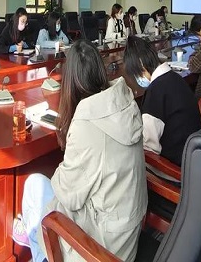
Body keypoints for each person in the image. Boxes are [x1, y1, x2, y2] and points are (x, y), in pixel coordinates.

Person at [15, 40, 147, 262]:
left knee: (34, 187)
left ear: (69, 81)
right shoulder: (125, 103)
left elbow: (69, 196)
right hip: (126, 232)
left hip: (102, 248)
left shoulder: (87, 125)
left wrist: (63, 169)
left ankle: (38, 251)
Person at [124, 36, 201, 166]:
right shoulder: (175, 77)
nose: (137, 79)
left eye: (136, 74)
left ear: (142, 67)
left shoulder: (155, 92)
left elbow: (150, 147)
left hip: (176, 166)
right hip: (194, 154)